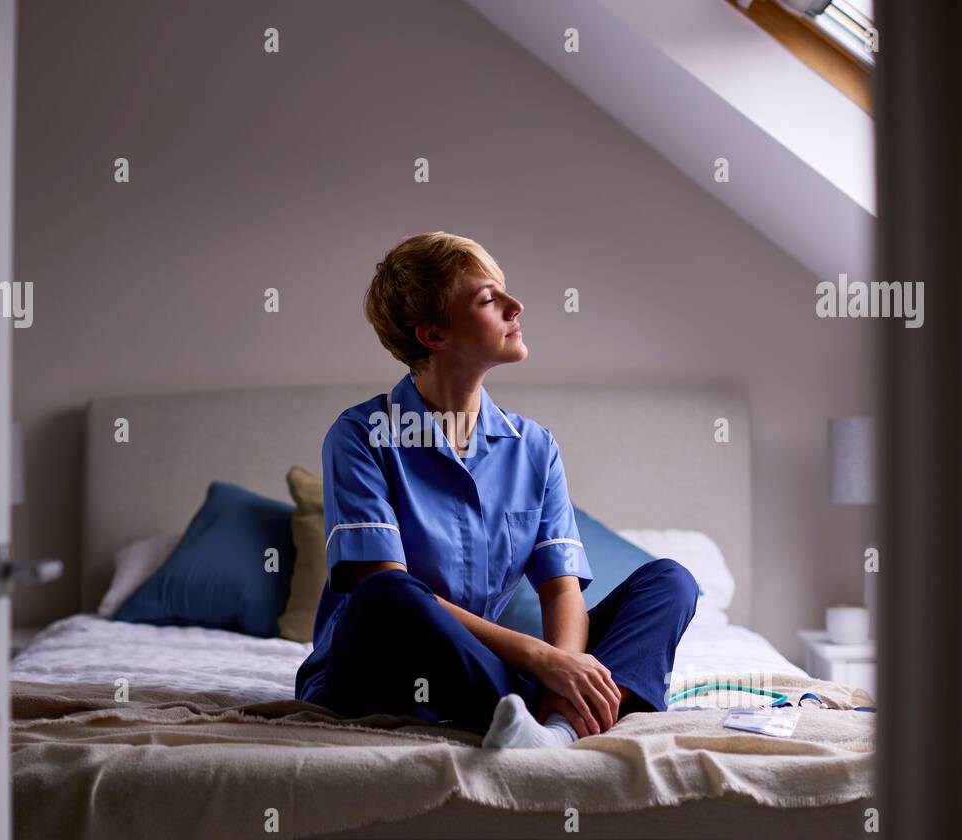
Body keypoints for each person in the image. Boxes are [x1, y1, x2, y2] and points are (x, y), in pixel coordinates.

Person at [293, 232, 699, 748]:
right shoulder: (360, 436)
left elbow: (560, 589)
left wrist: (564, 665)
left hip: (486, 669)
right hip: (378, 671)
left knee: (670, 581)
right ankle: (540, 709)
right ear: (433, 335)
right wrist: (538, 658)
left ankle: (554, 726)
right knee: (385, 596)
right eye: (489, 298)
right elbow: (382, 585)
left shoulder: (534, 446)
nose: (516, 306)